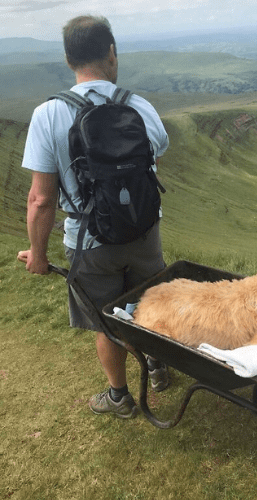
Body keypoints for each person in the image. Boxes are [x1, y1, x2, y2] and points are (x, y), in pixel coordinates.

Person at [17, 15, 171, 419]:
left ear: (69, 60)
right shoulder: (138, 106)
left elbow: (40, 199)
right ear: (112, 54)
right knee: (151, 302)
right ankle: (157, 364)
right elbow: (155, 155)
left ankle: (119, 396)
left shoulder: (48, 115)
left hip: (89, 242)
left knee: (107, 321)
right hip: (143, 230)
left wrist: (37, 252)